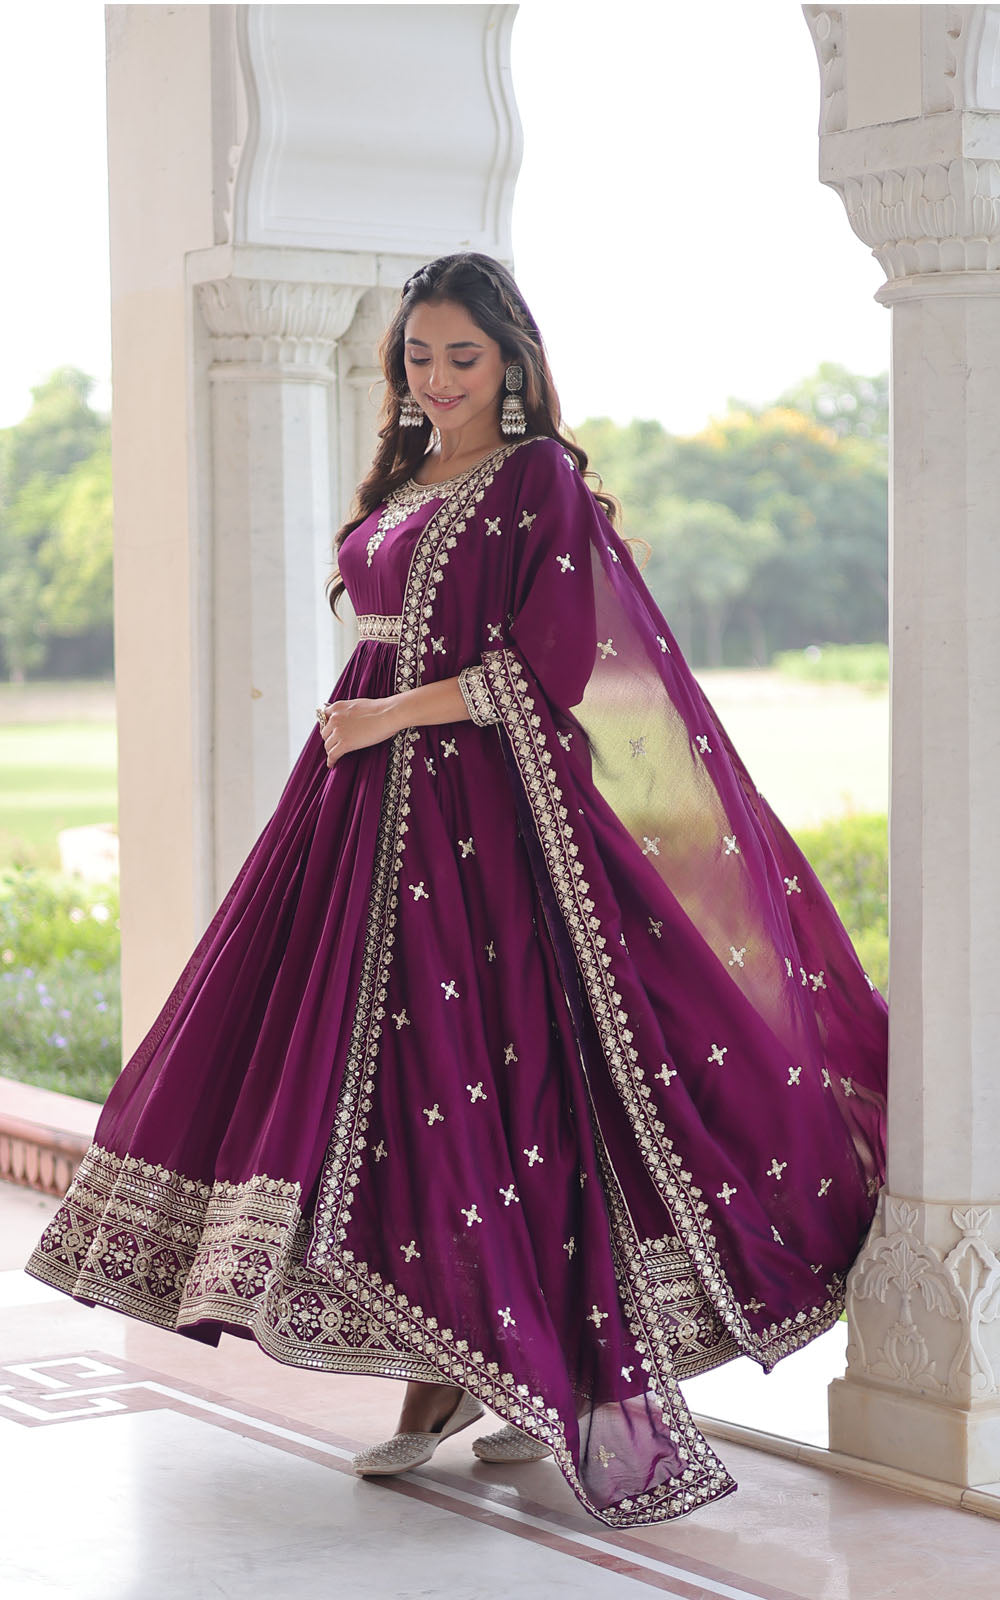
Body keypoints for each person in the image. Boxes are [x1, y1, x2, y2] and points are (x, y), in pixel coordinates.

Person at [26, 252, 888, 1528]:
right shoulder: (408, 477)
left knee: (485, 1080)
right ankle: (450, 1365)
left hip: (477, 819)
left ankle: (490, 1375)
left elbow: (551, 669)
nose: (435, 380)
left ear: (513, 363)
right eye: (417, 358)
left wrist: (388, 718)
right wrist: (368, 732)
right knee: (368, 1091)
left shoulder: (536, 478)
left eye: (461, 358)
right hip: (354, 817)